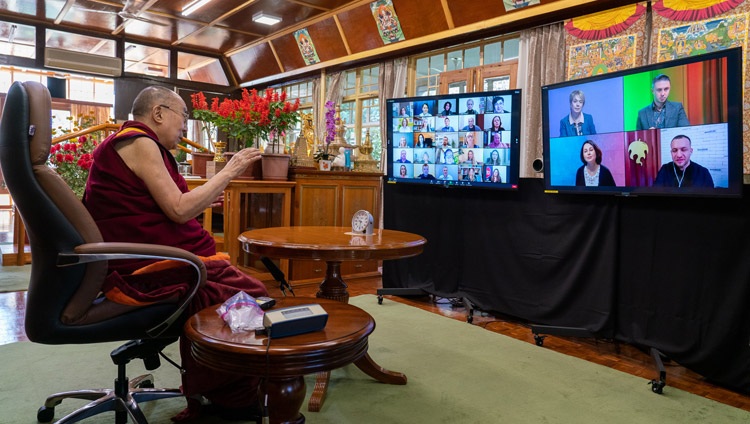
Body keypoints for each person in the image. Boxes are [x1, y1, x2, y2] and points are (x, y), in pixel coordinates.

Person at [83, 86, 267, 421]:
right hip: (141, 271)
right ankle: (222, 401)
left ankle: (225, 392)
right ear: (158, 113)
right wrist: (228, 171)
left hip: (137, 257)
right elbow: (179, 211)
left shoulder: (131, 142)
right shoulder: (140, 141)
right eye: (182, 119)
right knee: (245, 294)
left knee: (242, 290)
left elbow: (156, 207)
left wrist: (201, 197)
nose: (184, 128)